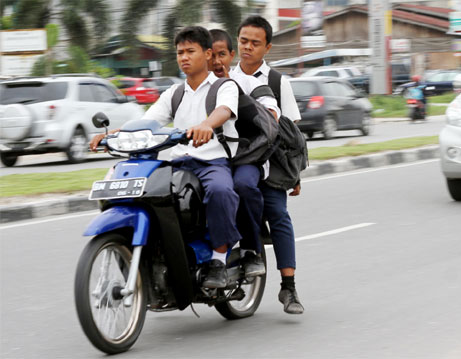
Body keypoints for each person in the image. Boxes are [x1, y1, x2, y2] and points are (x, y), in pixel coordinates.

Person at [90, 26, 241, 289]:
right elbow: (148, 120)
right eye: (180, 52)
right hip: (180, 162)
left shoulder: (223, 86)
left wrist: (206, 125)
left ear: (207, 54)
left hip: (211, 162)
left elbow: (224, 111)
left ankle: (218, 258)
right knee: (147, 194)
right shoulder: (175, 93)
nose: (184, 57)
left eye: (190, 51)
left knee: (220, 191)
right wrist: (113, 135)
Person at [232, 15, 304, 315]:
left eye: (255, 43)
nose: (247, 47)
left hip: (270, 164)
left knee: (278, 214)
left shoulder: (277, 82)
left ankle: (288, 287)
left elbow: (291, 132)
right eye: (243, 41)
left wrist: (295, 175)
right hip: (232, 161)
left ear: (267, 48)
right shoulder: (224, 78)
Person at [208, 28, 280, 278]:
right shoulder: (197, 87)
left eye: (222, 55)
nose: (217, 62)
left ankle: (251, 249)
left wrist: (237, 94)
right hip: (212, 158)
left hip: (248, 157)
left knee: (243, 186)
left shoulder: (251, 83)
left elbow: (272, 117)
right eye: (212, 56)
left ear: (231, 54)